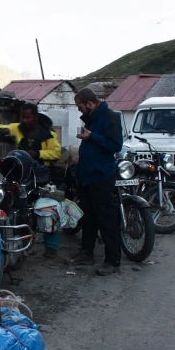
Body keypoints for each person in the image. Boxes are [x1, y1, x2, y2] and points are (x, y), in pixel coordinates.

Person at [0, 103, 63, 257]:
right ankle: (23, 242)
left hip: (41, 174)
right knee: (19, 206)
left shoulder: (48, 133)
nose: (25, 120)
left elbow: (55, 152)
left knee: (47, 207)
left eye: (28, 117)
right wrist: (0, 131)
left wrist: (37, 153)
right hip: (21, 173)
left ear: (35, 117)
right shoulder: (17, 128)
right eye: (23, 117)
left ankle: (51, 246)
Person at [66, 87, 123, 276]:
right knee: (87, 216)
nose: (79, 110)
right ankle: (86, 252)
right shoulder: (91, 118)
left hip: (101, 176)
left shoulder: (110, 117)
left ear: (90, 104)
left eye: (80, 106)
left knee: (106, 218)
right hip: (86, 175)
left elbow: (116, 145)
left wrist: (92, 136)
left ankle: (112, 260)